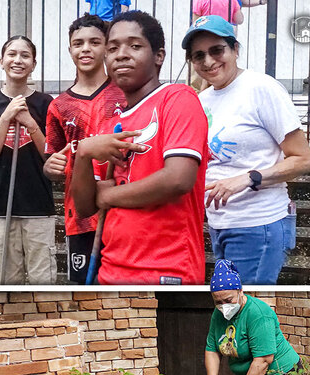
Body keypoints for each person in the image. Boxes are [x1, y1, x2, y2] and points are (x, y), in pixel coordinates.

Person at [69, 10, 209, 285]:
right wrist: (83, 153)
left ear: (159, 55)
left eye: (134, 46)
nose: (121, 54)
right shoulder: (112, 124)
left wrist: (109, 196)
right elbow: (85, 207)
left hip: (167, 271)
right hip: (110, 271)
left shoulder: (178, 98)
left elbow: (178, 179)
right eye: (112, 48)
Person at [183, 16, 310, 284]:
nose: (208, 61)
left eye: (217, 50)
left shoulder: (261, 89)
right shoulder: (201, 99)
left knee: (244, 308)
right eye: (198, 56)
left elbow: (304, 159)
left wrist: (248, 178)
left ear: (235, 50)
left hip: (258, 224)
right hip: (220, 225)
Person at [44, 14, 125, 284]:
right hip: (79, 217)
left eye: (94, 42)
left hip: (121, 209)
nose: (86, 49)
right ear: (70, 50)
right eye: (78, 43)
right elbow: (53, 159)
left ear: (106, 47)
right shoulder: (59, 105)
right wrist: (50, 167)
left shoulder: (125, 95)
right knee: (82, 288)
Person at [0, 36, 55, 285]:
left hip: (38, 206)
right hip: (0, 205)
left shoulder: (46, 104)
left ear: (33, 63)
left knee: (42, 281)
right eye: (11, 54)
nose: (17, 60)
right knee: (4, 282)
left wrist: (30, 123)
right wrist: (6, 117)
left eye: (25, 55)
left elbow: (49, 156)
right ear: (1, 61)